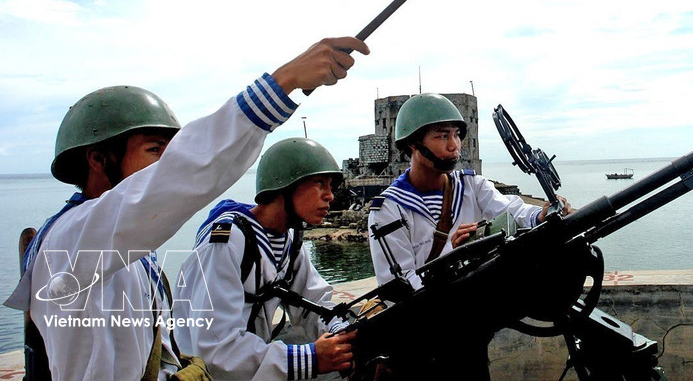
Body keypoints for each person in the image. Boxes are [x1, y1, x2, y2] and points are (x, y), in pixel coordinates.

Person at [5, 36, 368, 381]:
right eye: (155, 150)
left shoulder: (124, 251)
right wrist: (284, 82)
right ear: (99, 160)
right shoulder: (70, 240)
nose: (167, 163)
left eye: (170, 151)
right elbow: (182, 175)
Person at [173, 137, 355, 380]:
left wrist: (340, 331)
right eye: (319, 183)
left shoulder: (287, 240)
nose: (330, 196)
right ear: (285, 186)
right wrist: (309, 358)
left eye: (330, 186)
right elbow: (215, 348)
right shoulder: (226, 243)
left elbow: (313, 302)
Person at [367, 93, 570, 290]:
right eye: (442, 136)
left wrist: (540, 215)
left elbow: (512, 212)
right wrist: (453, 256)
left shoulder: (471, 185)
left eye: (456, 135)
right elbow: (399, 287)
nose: (454, 146)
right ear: (413, 144)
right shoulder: (389, 210)